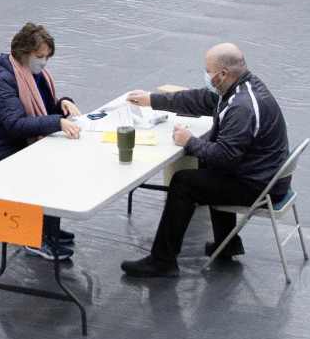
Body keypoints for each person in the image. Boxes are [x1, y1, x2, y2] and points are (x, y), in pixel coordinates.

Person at [119, 44, 289, 278]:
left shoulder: (242, 107)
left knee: (184, 182)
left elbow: (225, 157)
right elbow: (199, 99)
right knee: (205, 167)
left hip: (259, 186)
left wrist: (189, 141)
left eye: (208, 71)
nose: (206, 75)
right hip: (265, 175)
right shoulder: (240, 87)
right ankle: (227, 243)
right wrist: (152, 99)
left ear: (222, 74)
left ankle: (162, 260)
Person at [0, 22, 84, 260]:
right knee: (46, 171)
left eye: (47, 57)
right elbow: (15, 125)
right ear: (24, 53)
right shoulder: (3, 80)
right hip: (3, 153)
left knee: (55, 164)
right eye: (40, 56)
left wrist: (62, 104)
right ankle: (35, 237)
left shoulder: (33, 74)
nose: (44, 62)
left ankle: (48, 229)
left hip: (22, 145)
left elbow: (43, 108)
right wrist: (57, 122)